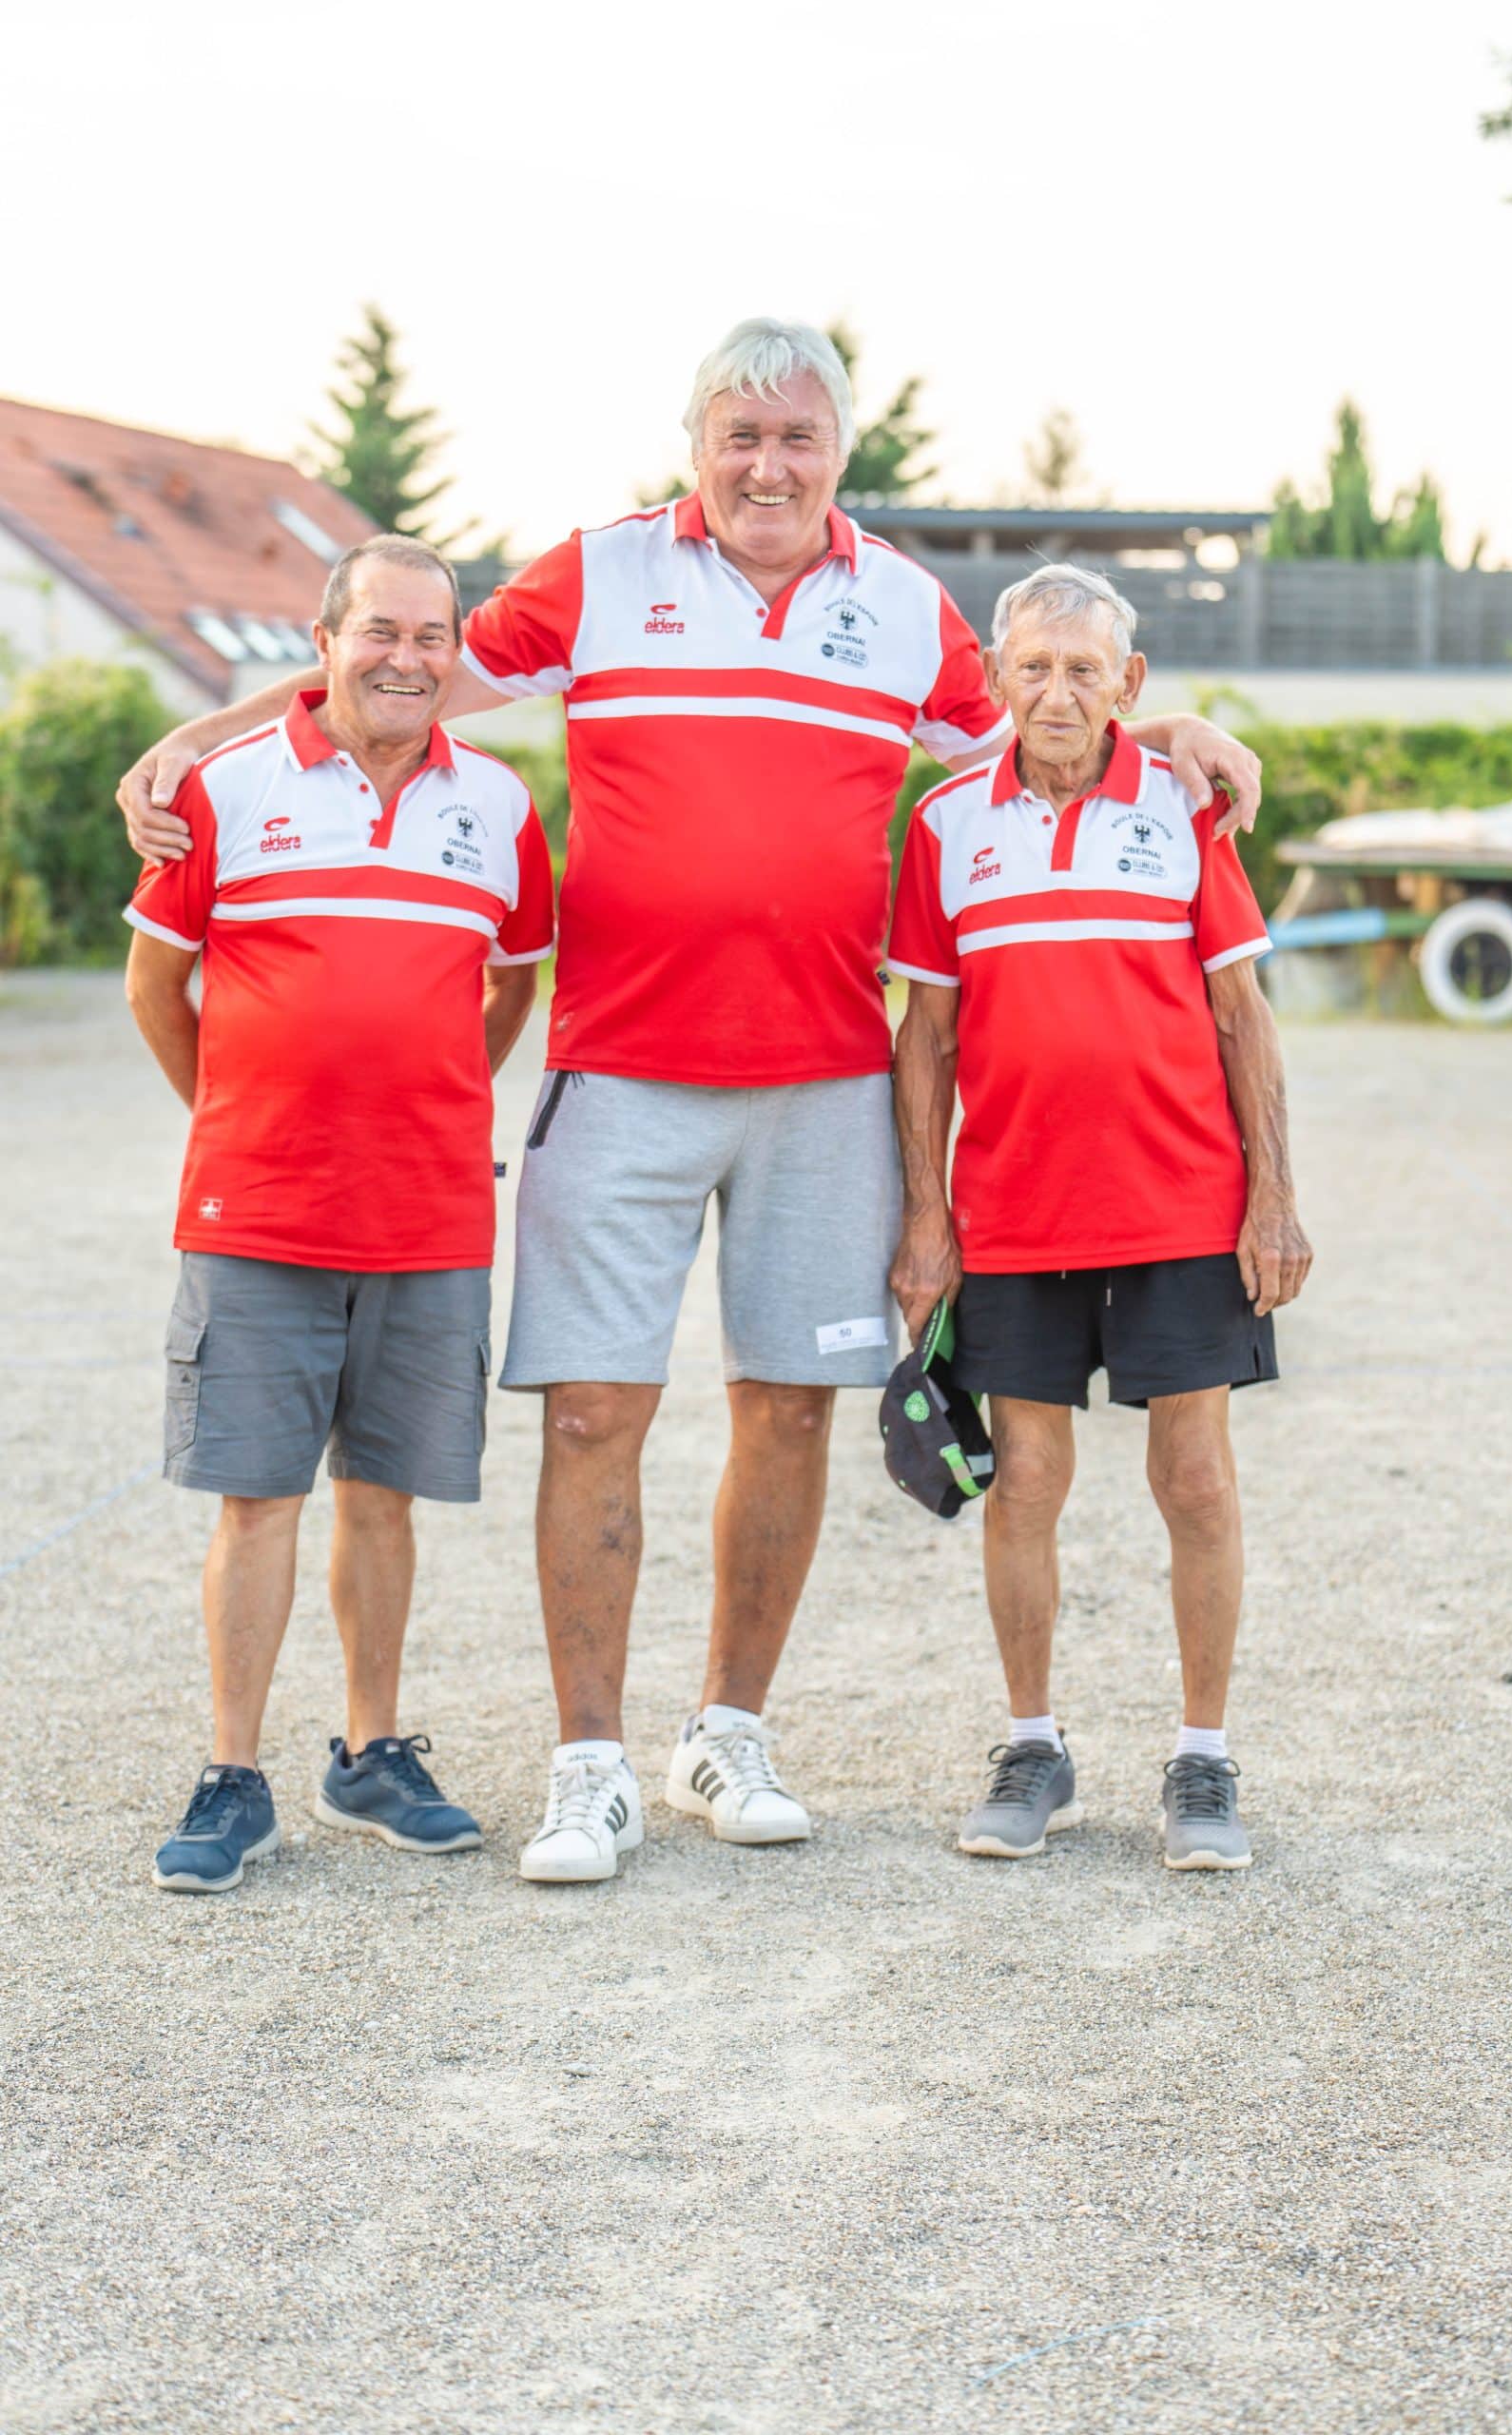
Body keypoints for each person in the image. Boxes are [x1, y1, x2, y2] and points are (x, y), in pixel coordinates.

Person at [118, 319, 1265, 1886]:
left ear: (838, 454)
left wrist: (1181, 726)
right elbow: (394, 673)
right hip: (627, 1067)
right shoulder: (600, 578)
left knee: (784, 1408)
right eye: (741, 436)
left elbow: (1051, 717)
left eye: (797, 439)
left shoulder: (907, 608)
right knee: (594, 1407)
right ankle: (589, 1766)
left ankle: (728, 1729)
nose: (768, 466)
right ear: (695, 446)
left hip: (823, 1081)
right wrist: (198, 735)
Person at [125, 537, 553, 1891]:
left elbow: (512, 985)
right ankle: (233, 1775)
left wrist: (427, 1099)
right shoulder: (225, 789)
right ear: (325, 639)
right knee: (256, 1500)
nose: (409, 659)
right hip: (257, 1208)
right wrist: (244, 1118)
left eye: (434, 638)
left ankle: (370, 1753)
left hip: (428, 1216)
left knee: (385, 1497)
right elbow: (156, 988)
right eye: (383, 632)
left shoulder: (499, 804)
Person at [886, 564, 1311, 1872]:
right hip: (1013, 1214)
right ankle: (1032, 1745)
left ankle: (1202, 1761)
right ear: (998, 682)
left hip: (1186, 1205)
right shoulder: (949, 822)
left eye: (1085, 670)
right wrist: (925, 1218)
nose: (1057, 692)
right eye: (1034, 668)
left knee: (1194, 1479)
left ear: (1130, 687)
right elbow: (926, 1040)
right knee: (1027, 1482)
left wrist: (1277, 1198)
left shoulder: (1189, 816)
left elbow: (1243, 1016)